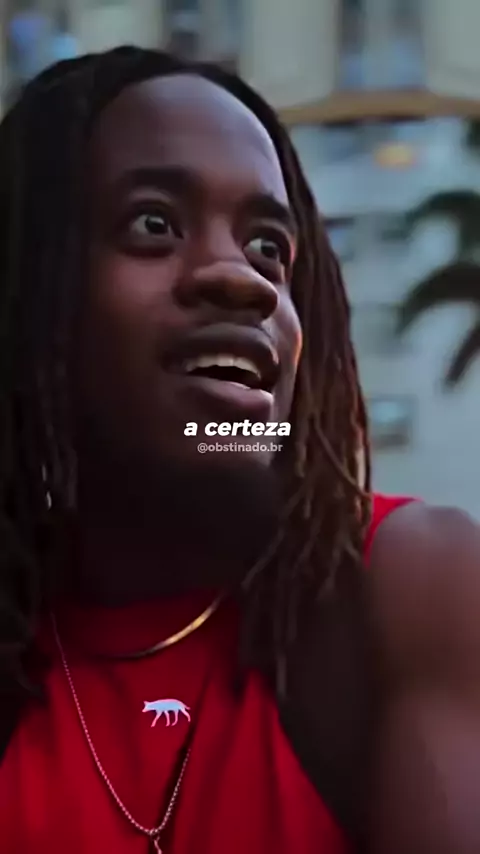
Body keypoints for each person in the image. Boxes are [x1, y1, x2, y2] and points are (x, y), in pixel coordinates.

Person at [0, 46, 479, 854]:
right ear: (30, 293)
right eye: (154, 225)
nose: (242, 279)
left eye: (268, 248)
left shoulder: (414, 590)